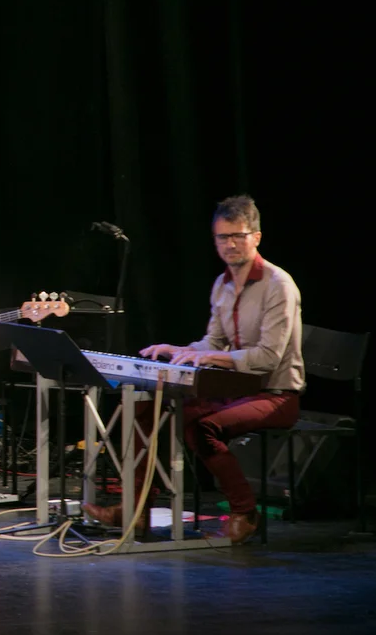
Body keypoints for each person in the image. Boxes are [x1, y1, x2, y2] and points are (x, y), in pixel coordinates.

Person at [82, 194, 304, 544]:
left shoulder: (279, 285)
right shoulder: (222, 285)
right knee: (145, 412)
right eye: (223, 237)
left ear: (256, 237)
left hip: (275, 394)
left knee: (202, 427)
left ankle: (245, 512)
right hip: (234, 390)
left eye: (238, 236)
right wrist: (181, 350)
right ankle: (135, 511)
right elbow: (213, 342)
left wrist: (211, 358)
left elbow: (268, 358)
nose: (230, 244)